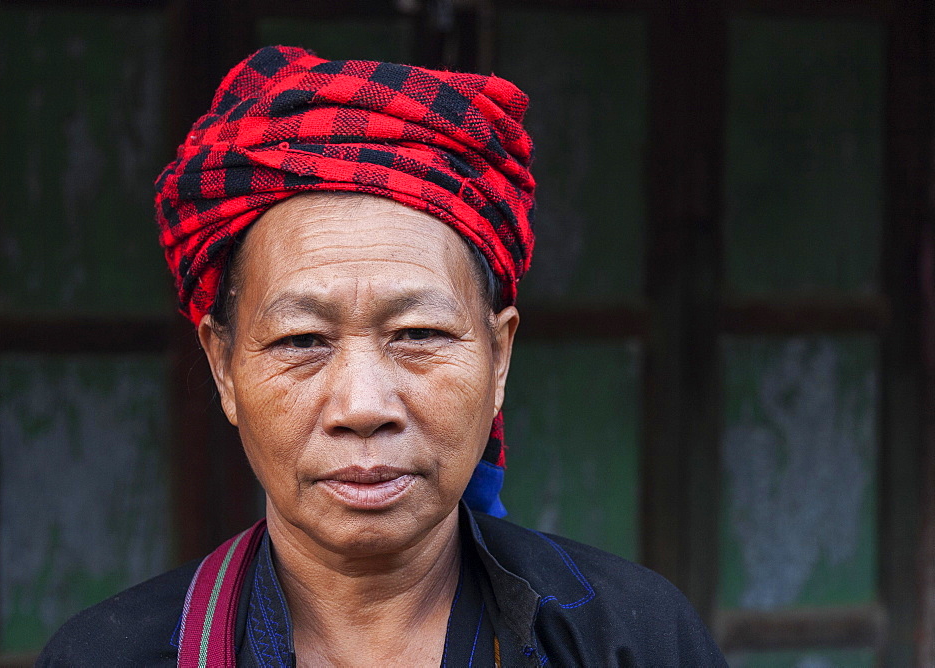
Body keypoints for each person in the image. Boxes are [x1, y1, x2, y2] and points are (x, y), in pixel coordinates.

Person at [38, 46, 727, 666]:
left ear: (500, 357)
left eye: (419, 336)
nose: (362, 406)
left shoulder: (628, 638)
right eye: (302, 341)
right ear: (223, 366)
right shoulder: (110, 655)